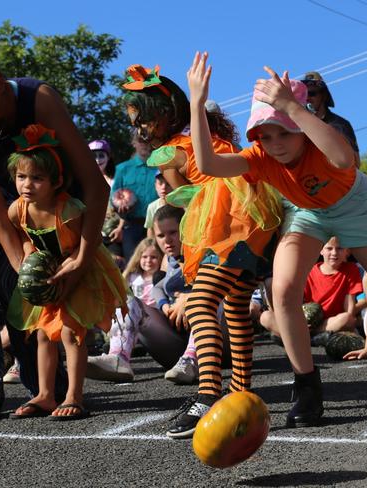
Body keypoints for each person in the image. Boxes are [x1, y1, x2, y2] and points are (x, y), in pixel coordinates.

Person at [188, 52, 367, 427]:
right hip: (307, 214)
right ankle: (307, 386)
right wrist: (197, 104)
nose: (275, 143)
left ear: (299, 125)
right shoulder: (262, 156)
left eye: (283, 132)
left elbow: (345, 160)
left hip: (353, 207)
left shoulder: (321, 141)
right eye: (265, 134)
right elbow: (210, 165)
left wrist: (290, 107)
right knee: (283, 290)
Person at [0, 22, 108, 423]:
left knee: (41, 287)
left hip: (52, 197)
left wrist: (83, 257)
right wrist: (20, 262)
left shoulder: (40, 100)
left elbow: (94, 184)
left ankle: (43, 386)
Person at [121, 64, 280, 438]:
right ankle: (240, 392)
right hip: (256, 216)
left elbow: (188, 198)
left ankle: (208, 394)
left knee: (201, 302)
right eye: (136, 122)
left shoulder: (171, 151)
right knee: (238, 303)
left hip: (225, 219)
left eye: (145, 119)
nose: (141, 129)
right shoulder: (204, 133)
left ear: (165, 115)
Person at [6, 124, 127, 420]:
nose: (27, 185)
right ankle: (46, 395)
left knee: (72, 331)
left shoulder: (69, 210)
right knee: (44, 335)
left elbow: (89, 240)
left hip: (80, 270)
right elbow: (20, 233)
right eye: (21, 177)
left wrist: (71, 265)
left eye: (37, 178)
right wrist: (26, 250)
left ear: (56, 181)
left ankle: (74, 394)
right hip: (49, 272)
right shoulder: (17, 209)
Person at [86, 205, 192, 383]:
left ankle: (191, 359)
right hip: (174, 344)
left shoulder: (204, 251)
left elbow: (223, 288)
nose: (167, 240)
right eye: (160, 235)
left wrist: (190, 297)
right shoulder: (168, 259)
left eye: (173, 232)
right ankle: (118, 358)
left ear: (185, 229)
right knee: (127, 300)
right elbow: (159, 287)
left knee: (205, 300)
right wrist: (164, 305)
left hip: (215, 348)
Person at [262, 236, 363, 336]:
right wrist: (302, 321)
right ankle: (305, 334)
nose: (334, 253)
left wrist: (350, 318)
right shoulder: (310, 270)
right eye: (329, 248)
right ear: (321, 250)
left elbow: (349, 304)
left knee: (347, 319)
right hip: (307, 321)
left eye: (339, 248)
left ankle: (301, 336)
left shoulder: (351, 269)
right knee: (265, 317)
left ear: (347, 252)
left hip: (330, 322)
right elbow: (299, 302)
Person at [109, 132, 158, 261]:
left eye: (148, 140)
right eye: (141, 140)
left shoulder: (161, 167)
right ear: (134, 143)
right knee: (132, 264)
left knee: (155, 263)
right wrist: (119, 206)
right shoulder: (122, 169)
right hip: (132, 226)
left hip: (157, 224)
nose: (145, 144)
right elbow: (113, 197)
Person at [300, 71, 359, 164]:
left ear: (324, 95)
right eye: (304, 94)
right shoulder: (297, 126)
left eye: (312, 93)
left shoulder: (341, 125)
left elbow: (355, 161)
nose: (307, 98)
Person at [144, 171, 171, 239]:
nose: (164, 187)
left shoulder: (182, 206)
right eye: (160, 183)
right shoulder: (152, 207)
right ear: (155, 186)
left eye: (168, 183)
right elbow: (150, 229)